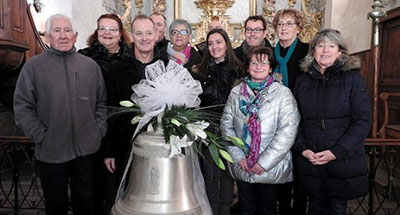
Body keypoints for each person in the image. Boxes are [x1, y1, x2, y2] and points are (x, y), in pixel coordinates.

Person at [13, 14, 107, 215]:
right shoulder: (33, 67)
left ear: (75, 36)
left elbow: (101, 103)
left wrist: (97, 132)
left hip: (86, 152)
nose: (63, 35)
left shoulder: (90, 66)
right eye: (57, 30)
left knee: (87, 205)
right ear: (47, 37)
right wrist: (42, 136)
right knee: (55, 207)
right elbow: (22, 108)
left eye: (67, 30)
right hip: (51, 152)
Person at [293, 29, 372, 215]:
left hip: (341, 160)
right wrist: (302, 148)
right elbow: (294, 121)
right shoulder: (302, 81)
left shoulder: (353, 79)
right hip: (310, 158)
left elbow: (362, 120)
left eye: (331, 46)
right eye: (320, 45)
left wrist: (336, 152)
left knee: (337, 209)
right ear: (313, 51)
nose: (325, 50)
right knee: (313, 208)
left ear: (340, 51)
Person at [221, 46, 300, 215]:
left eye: (263, 63)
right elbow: (226, 126)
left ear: (271, 68)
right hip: (243, 165)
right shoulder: (236, 93)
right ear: (248, 66)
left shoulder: (283, 93)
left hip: (270, 167)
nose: (258, 66)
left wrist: (263, 163)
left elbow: (287, 131)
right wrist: (238, 157)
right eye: (254, 62)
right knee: (247, 209)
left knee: (267, 210)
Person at [103, 14, 168, 208]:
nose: (145, 38)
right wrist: (109, 151)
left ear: (156, 34)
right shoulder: (117, 70)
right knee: (128, 200)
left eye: (149, 33)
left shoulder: (166, 69)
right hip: (126, 146)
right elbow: (110, 112)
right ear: (132, 36)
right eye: (139, 33)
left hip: (160, 149)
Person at [78, 13, 132, 214]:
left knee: (119, 188)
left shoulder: (130, 58)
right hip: (91, 128)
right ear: (97, 32)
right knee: (91, 190)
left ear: (120, 34)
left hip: (120, 130)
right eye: (103, 28)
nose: (107, 33)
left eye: (113, 29)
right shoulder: (83, 57)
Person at [191, 28, 244, 215]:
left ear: (227, 44)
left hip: (232, 132)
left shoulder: (240, 70)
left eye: (218, 42)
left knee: (229, 177)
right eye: (211, 43)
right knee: (211, 178)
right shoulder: (199, 72)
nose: (214, 47)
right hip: (209, 132)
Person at [272, 8, 309, 215]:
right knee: (281, 169)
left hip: (302, 119)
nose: (284, 28)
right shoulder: (272, 54)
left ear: (298, 28)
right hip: (278, 120)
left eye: (289, 24)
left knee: (300, 171)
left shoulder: (307, 51)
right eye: (280, 24)